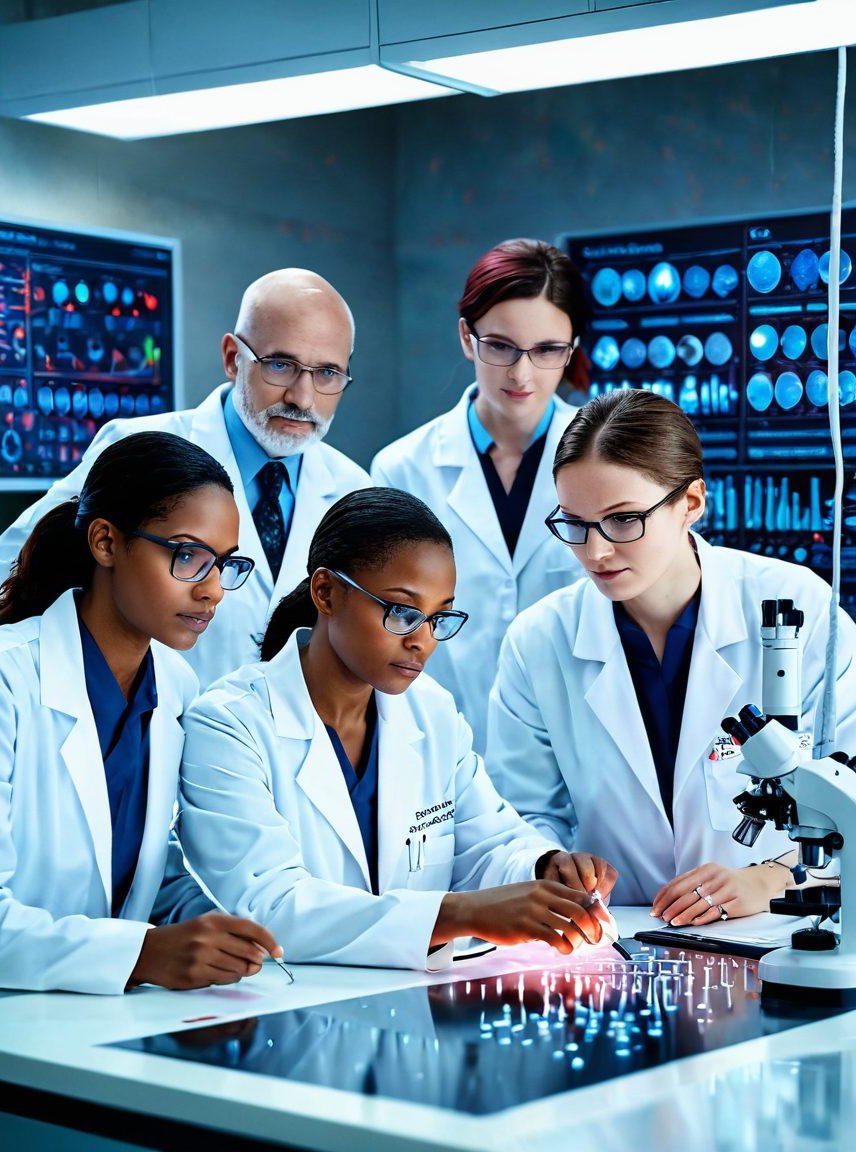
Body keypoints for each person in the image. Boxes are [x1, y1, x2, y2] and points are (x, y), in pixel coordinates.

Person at [177, 488, 617, 969]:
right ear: (326, 592)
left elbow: (490, 842)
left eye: (438, 617)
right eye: (403, 613)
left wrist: (544, 868)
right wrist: (458, 914)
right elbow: (268, 907)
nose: (422, 642)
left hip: (412, 1009)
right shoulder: (229, 723)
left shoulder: (432, 713)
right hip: (281, 1011)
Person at [486, 388, 856, 925]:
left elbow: (851, 781)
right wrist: (549, 863)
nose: (595, 552)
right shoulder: (539, 640)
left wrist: (771, 877)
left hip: (778, 924)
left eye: (622, 520)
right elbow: (517, 814)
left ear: (692, 503)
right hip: (621, 934)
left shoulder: (800, 607)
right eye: (574, 523)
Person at [0, 432, 281, 993]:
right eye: (187, 557)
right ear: (106, 543)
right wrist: (144, 953)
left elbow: (137, 871)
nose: (213, 591)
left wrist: (216, 927)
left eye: (225, 564)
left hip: (102, 1022)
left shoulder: (175, 686)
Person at [0, 269, 371, 689]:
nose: (302, 398)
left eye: (328, 374)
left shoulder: (354, 488)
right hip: (150, 731)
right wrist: (91, 695)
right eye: (280, 365)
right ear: (232, 357)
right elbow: (16, 564)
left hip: (274, 746)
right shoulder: (137, 446)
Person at [371, 239, 585, 745]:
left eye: (548, 350)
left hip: (576, 748)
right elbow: (380, 625)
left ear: (572, 348)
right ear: (468, 338)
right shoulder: (403, 469)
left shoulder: (615, 469)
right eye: (501, 346)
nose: (521, 373)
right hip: (437, 743)